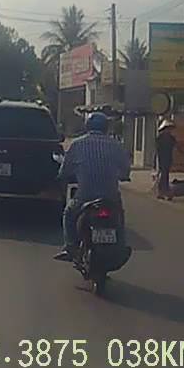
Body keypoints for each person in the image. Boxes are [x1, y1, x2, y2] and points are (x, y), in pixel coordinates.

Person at [53, 112, 131, 262]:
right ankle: (121, 246)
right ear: (106, 127)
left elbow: (64, 171)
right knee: (119, 218)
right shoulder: (116, 145)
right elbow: (125, 169)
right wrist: (123, 176)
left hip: (85, 197)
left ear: (87, 126)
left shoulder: (77, 144)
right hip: (110, 196)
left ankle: (70, 247)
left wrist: (64, 177)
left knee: (69, 214)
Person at [155, 119, 181, 201]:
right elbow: (158, 149)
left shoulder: (170, 137)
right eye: (169, 128)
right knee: (164, 175)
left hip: (168, 158)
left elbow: (176, 146)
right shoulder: (161, 137)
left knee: (165, 175)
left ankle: (162, 192)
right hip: (162, 157)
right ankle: (164, 191)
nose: (170, 130)